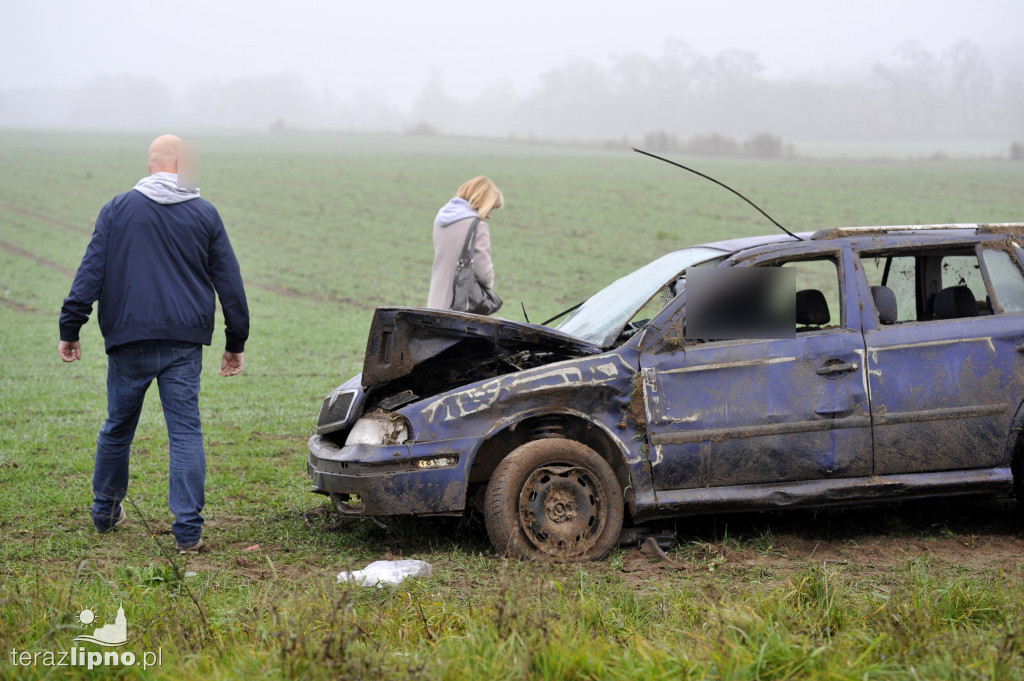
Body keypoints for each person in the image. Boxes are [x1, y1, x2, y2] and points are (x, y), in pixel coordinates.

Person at [58, 134, 249, 555]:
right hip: (184, 342)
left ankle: (105, 513)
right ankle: (188, 535)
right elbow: (230, 283)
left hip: (128, 339)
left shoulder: (118, 209)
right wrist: (236, 339)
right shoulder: (204, 213)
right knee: (185, 433)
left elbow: (90, 271)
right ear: (181, 164)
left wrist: (71, 326)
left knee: (117, 428)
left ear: (151, 166)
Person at [426, 176, 503, 310]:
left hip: (434, 304)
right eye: (490, 208)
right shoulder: (478, 226)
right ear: (482, 201)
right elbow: (485, 275)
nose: (489, 215)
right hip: (458, 310)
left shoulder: (441, 220)